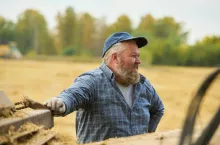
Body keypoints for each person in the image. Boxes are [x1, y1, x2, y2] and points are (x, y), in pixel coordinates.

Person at [44, 32, 165, 144]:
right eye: (133, 56)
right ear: (115, 58)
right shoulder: (92, 80)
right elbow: (75, 94)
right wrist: (62, 102)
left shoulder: (143, 85)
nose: (139, 61)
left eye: (138, 56)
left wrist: (147, 136)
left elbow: (158, 108)